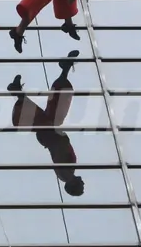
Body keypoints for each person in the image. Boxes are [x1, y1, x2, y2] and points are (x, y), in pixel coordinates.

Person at [7, 50, 85, 196]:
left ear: (73, 185)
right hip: (51, 135)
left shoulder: (66, 175)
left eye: (82, 187)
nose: (83, 183)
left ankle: (18, 92)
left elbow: (60, 152)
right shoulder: (66, 173)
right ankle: (65, 68)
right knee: (56, 105)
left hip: (51, 136)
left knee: (55, 108)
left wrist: (58, 137)